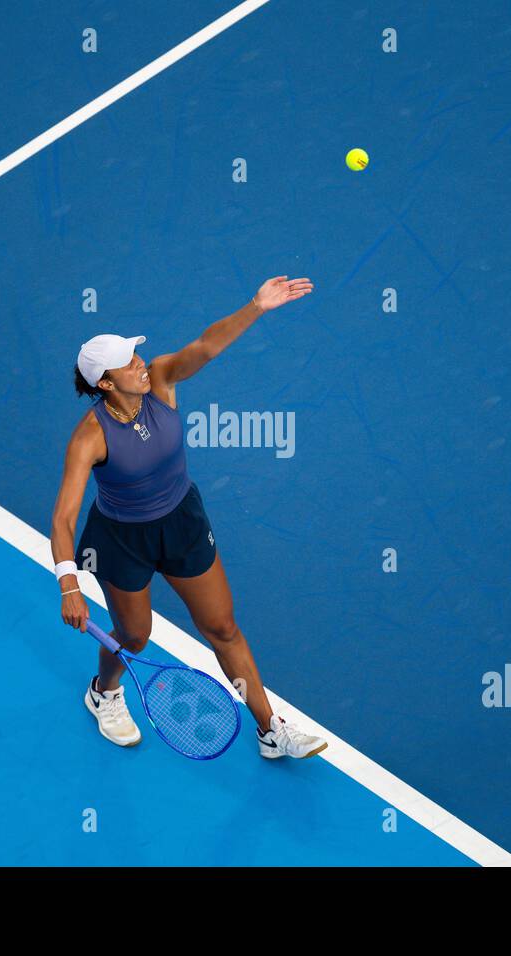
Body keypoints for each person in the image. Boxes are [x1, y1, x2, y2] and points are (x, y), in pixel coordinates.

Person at [50, 276, 327, 759]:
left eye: (136, 356)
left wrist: (256, 307)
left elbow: (207, 345)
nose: (140, 365)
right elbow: (63, 518)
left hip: (182, 522)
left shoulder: (160, 379)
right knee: (134, 635)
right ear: (105, 383)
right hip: (122, 540)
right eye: (127, 364)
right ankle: (105, 693)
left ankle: (270, 730)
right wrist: (69, 585)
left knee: (222, 627)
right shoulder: (88, 438)